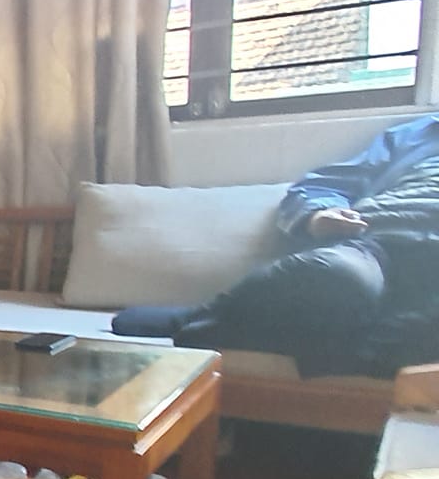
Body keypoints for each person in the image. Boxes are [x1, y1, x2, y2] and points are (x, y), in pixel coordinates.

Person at [116, 116, 439, 378]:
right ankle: (210, 315)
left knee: (423, 330)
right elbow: (322, 185)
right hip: (372, 242)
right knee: (338, 276)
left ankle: (218, 326)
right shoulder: (417, 134)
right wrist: (317, 215)